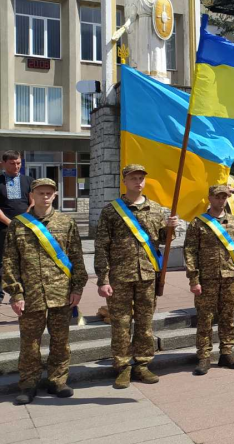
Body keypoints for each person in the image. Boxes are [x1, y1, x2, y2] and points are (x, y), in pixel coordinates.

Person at [3, 179, 88, 404]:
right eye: (41, 193)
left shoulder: (66, 222)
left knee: (60, 340)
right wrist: (16, 293)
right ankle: (29, 383)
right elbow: (10, 261)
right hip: (30, 295)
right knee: (30, 342)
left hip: (61, 293)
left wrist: (77, 288)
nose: (45, 197)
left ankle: (57, 380)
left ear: (56, 194)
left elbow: (77, 258)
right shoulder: (18, 225)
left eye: (49, 193)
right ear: (32, 195)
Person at [95, 164, 178, 389]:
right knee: (120, 324)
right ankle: (122, 367)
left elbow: (162, 240)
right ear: (125, 181)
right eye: (133, 178)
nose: (138, 182)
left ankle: (142, 364)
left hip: (148, 275)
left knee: (144, 323)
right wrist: (102, 279)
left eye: (141, 178)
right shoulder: (111, 211)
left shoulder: (156, 210)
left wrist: (171, 228)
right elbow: (102, 246)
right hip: (120, 276)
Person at [185, 185, 234, 376]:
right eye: (217, 197)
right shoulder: (198, 223)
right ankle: (204, 356)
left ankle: (226, 352)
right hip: (206, 279)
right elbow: (190, 253)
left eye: (224, 197)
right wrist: (193, 279)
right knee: (205, 319)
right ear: (209, 198)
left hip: (231, 278)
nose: (221, 200)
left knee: (228, 318)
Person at [1, 151, 34, 303]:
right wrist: (10, 223)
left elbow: (33, 203)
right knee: (2, 262)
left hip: (25, 227)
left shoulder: (28, 181)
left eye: (19, 163)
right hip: (2, 229)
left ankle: (22, 295)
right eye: (12, 163)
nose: (16, 166)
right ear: (3, 163)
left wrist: (23, 220)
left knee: (25, 261)